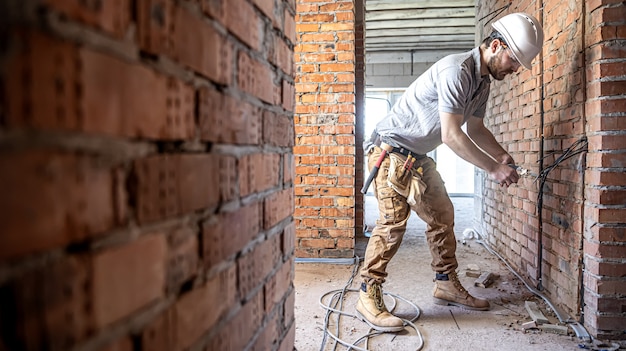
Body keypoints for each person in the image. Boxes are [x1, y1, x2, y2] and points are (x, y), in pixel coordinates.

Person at [356, 13, 544, 332]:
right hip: (389, 149)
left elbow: (476, 128)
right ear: (496, 46)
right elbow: (452, 135)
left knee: (442, 214)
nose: (515, 70)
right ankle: (367, 293)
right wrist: (493, 169)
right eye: (514, 61)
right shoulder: (457, 70)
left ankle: (445, 283)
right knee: (392, 221)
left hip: (416, 154)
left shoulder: (481, 83)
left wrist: (500, 154)